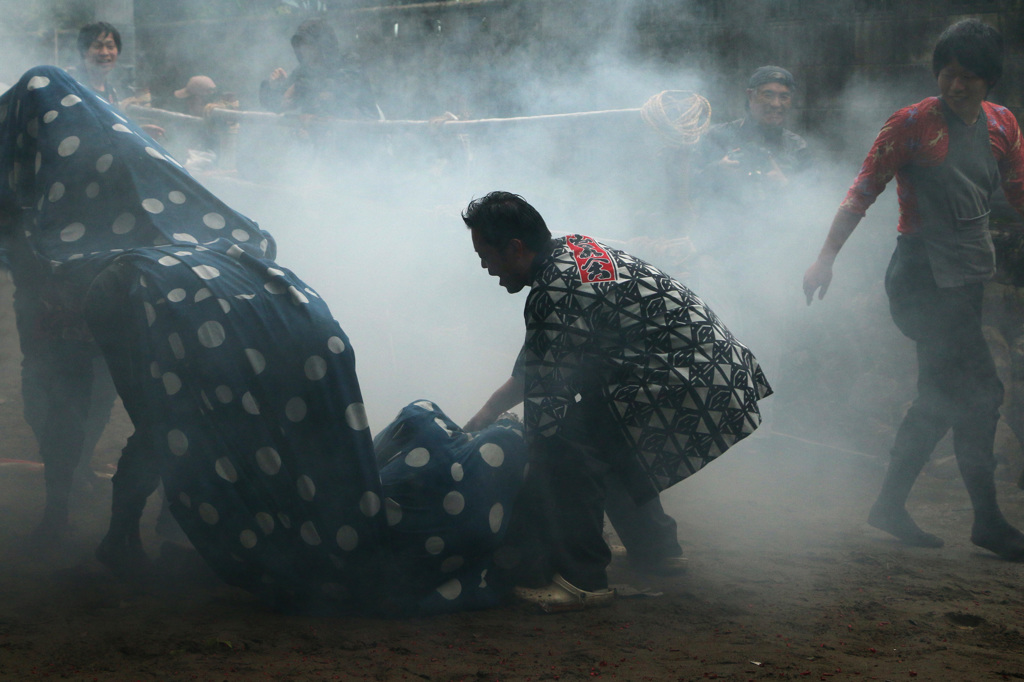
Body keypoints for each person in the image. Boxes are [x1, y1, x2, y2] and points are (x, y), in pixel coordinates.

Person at [463, 192, 772, 611]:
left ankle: (581, 578)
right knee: (605, 434)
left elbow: (546, 405)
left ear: (515, 248)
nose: (485, 267)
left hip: (689, 376)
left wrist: (537, 471)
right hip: (717, 368)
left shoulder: (556, 288)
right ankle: (657, 550)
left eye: (486, 255)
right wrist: (486, 414)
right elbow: (539, 362)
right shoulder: (571, 249)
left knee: (568, 444)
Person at [803, 19, 1024, 560]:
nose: (957, 87)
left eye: (969, 78)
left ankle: (889, 505)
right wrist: (825, 257)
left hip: (968, 274)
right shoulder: (912, 124)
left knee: (940, 398)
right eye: (949, 75)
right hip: (920, 279)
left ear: (989, 80)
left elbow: (1020, 191)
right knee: (982, 393)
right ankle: (988, 521)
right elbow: (863, 190)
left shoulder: (1003, 125)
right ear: (938, 74)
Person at [259, 18, 380, 120]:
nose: (304, 50)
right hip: (324, 142)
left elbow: (342, 92)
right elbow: (277, 105)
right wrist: (274, 87)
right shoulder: (303, 71)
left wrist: (298, 88)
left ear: (323, 45)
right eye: (300, 45)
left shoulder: (349, 62)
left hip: (363, 134)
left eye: (309, 45)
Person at [67, 22, 122, 106]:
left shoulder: (111, 91)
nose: (104, 53)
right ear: (84, 51)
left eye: (110, 47)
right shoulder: (70, 84)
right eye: (97, 46)